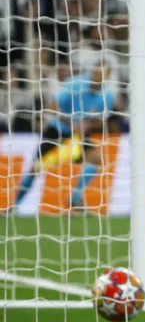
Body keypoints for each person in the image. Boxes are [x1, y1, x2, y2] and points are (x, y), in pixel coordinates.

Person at [8, 65, 113, 212]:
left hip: (76, 135)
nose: (98, 77)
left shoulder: (107, 96)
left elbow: (101, 120)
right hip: (57, 130)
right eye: (96, 73)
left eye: (102, 74)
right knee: (35, 168)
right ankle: (15, 205)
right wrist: (70, 122)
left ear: (108, 76)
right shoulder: (75, 84)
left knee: (95, 158)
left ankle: (75, 198)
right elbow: (52, 106)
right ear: (92, 71)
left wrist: (86, 124)